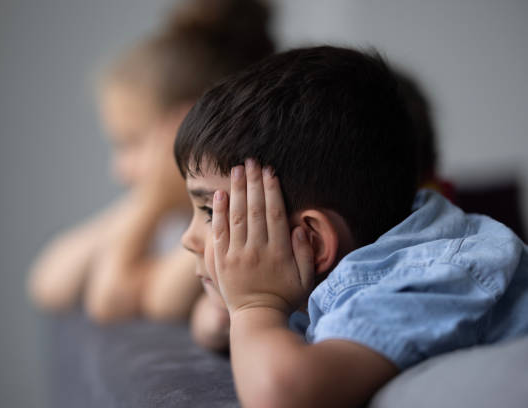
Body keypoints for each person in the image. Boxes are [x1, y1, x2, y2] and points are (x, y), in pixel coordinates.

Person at [174, 45, 528, 407]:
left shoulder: (428, 277)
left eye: (209, 211)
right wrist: (233, 309)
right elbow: (210, 321)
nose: (188, 239)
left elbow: (280, 395)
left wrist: (254, 306)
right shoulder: (355, 254)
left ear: (311, 241)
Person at [28, 0, 275, 324]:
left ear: (185, 128)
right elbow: (48, 282)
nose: (118, 170)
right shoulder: (169, 210)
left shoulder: (226, 217)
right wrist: (149, 199)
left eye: (131, 143)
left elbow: (111, 299)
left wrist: (151, 201)